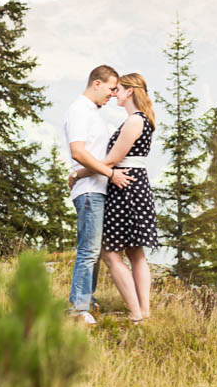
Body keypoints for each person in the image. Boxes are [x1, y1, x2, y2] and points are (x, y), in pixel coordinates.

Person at [71, 72, 159, 323]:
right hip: (137, 185)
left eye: (119, 89)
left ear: (130, 91)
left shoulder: (133, 121)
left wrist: (77, 174)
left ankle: (135, 313)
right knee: (136, 253)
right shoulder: (143, 119)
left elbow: (111, 160)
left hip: (126, 188)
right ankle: (144, 312)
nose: (115, 94)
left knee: (111, 253)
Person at [63, 65, 134, 325]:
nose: (113, 94)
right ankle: (78, 308)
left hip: (95, 187)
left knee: (94, 249)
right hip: (91, 191)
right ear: (96, 83)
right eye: (111, 88)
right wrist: (110, 173)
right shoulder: (79, 110)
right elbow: (78, 151)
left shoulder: (91, 112)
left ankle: (86, 301)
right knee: (89, 250)